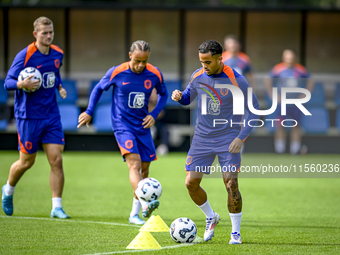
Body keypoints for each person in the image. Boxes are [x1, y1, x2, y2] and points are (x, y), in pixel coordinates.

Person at [172, 40, 260, 243]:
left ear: (220, 58)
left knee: (230, 183)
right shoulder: (197, 75)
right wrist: (179, 97)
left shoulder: (236, 80)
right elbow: (188, 98)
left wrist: (240, 137)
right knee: (191, 183)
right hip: (202, 138)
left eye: (208, 62)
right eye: (201, 61)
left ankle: (235, 233)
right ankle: (211, 217)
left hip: (228, 138)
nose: (204, 66)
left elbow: (254, 110)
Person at [78, 40, 168, 225]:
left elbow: (164, 94)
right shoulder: (117, 72)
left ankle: (134, 215)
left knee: (145, 169)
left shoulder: (154, 73)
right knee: (134, 165)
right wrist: (89, 111)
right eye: (137, 61)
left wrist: (154, 113)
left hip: (143, 126)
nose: (141, 65)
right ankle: (145, 205)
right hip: (122, 125)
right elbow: (97, 89)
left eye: (144, 61)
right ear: (130, 56)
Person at [2, 17, 70, 218]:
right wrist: (21, 85)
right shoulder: (24, 56)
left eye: (51, 32)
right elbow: (7, 82)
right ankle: (8, 190)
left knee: (56, 160)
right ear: (35, 34)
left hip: (51, 115)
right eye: (44, 33)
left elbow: (54, 73)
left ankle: (56, 207)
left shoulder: (58, 53)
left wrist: (59, 86)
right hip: (28, 117)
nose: (48, 36)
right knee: (26, 162)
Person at [265, 49, 314, 154]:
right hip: (282, 103)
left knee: (296, 126)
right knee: (280, 125)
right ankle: (280, 150)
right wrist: (273, 95)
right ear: (283, 57)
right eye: (287, 56)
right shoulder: (278, 69)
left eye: (291, 56)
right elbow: (267, 80)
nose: (289, 58)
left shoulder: (300, 69)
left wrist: (305, 94)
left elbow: (311, 80)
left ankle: (295, 150)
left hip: (296, 103)